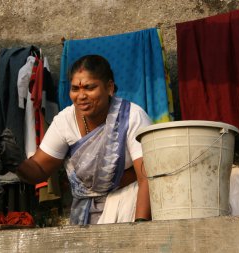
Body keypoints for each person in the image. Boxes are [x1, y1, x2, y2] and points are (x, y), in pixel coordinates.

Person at [15, 55, 152, 225]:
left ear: (109, 87)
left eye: (89, 87)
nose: (81, 96)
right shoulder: (64, 121)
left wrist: (140, 225)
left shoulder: (132, 116)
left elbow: (147, 177)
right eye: (75, 89)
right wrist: (13, 163)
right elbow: (39, 168)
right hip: (84, 211)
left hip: (128, 203)